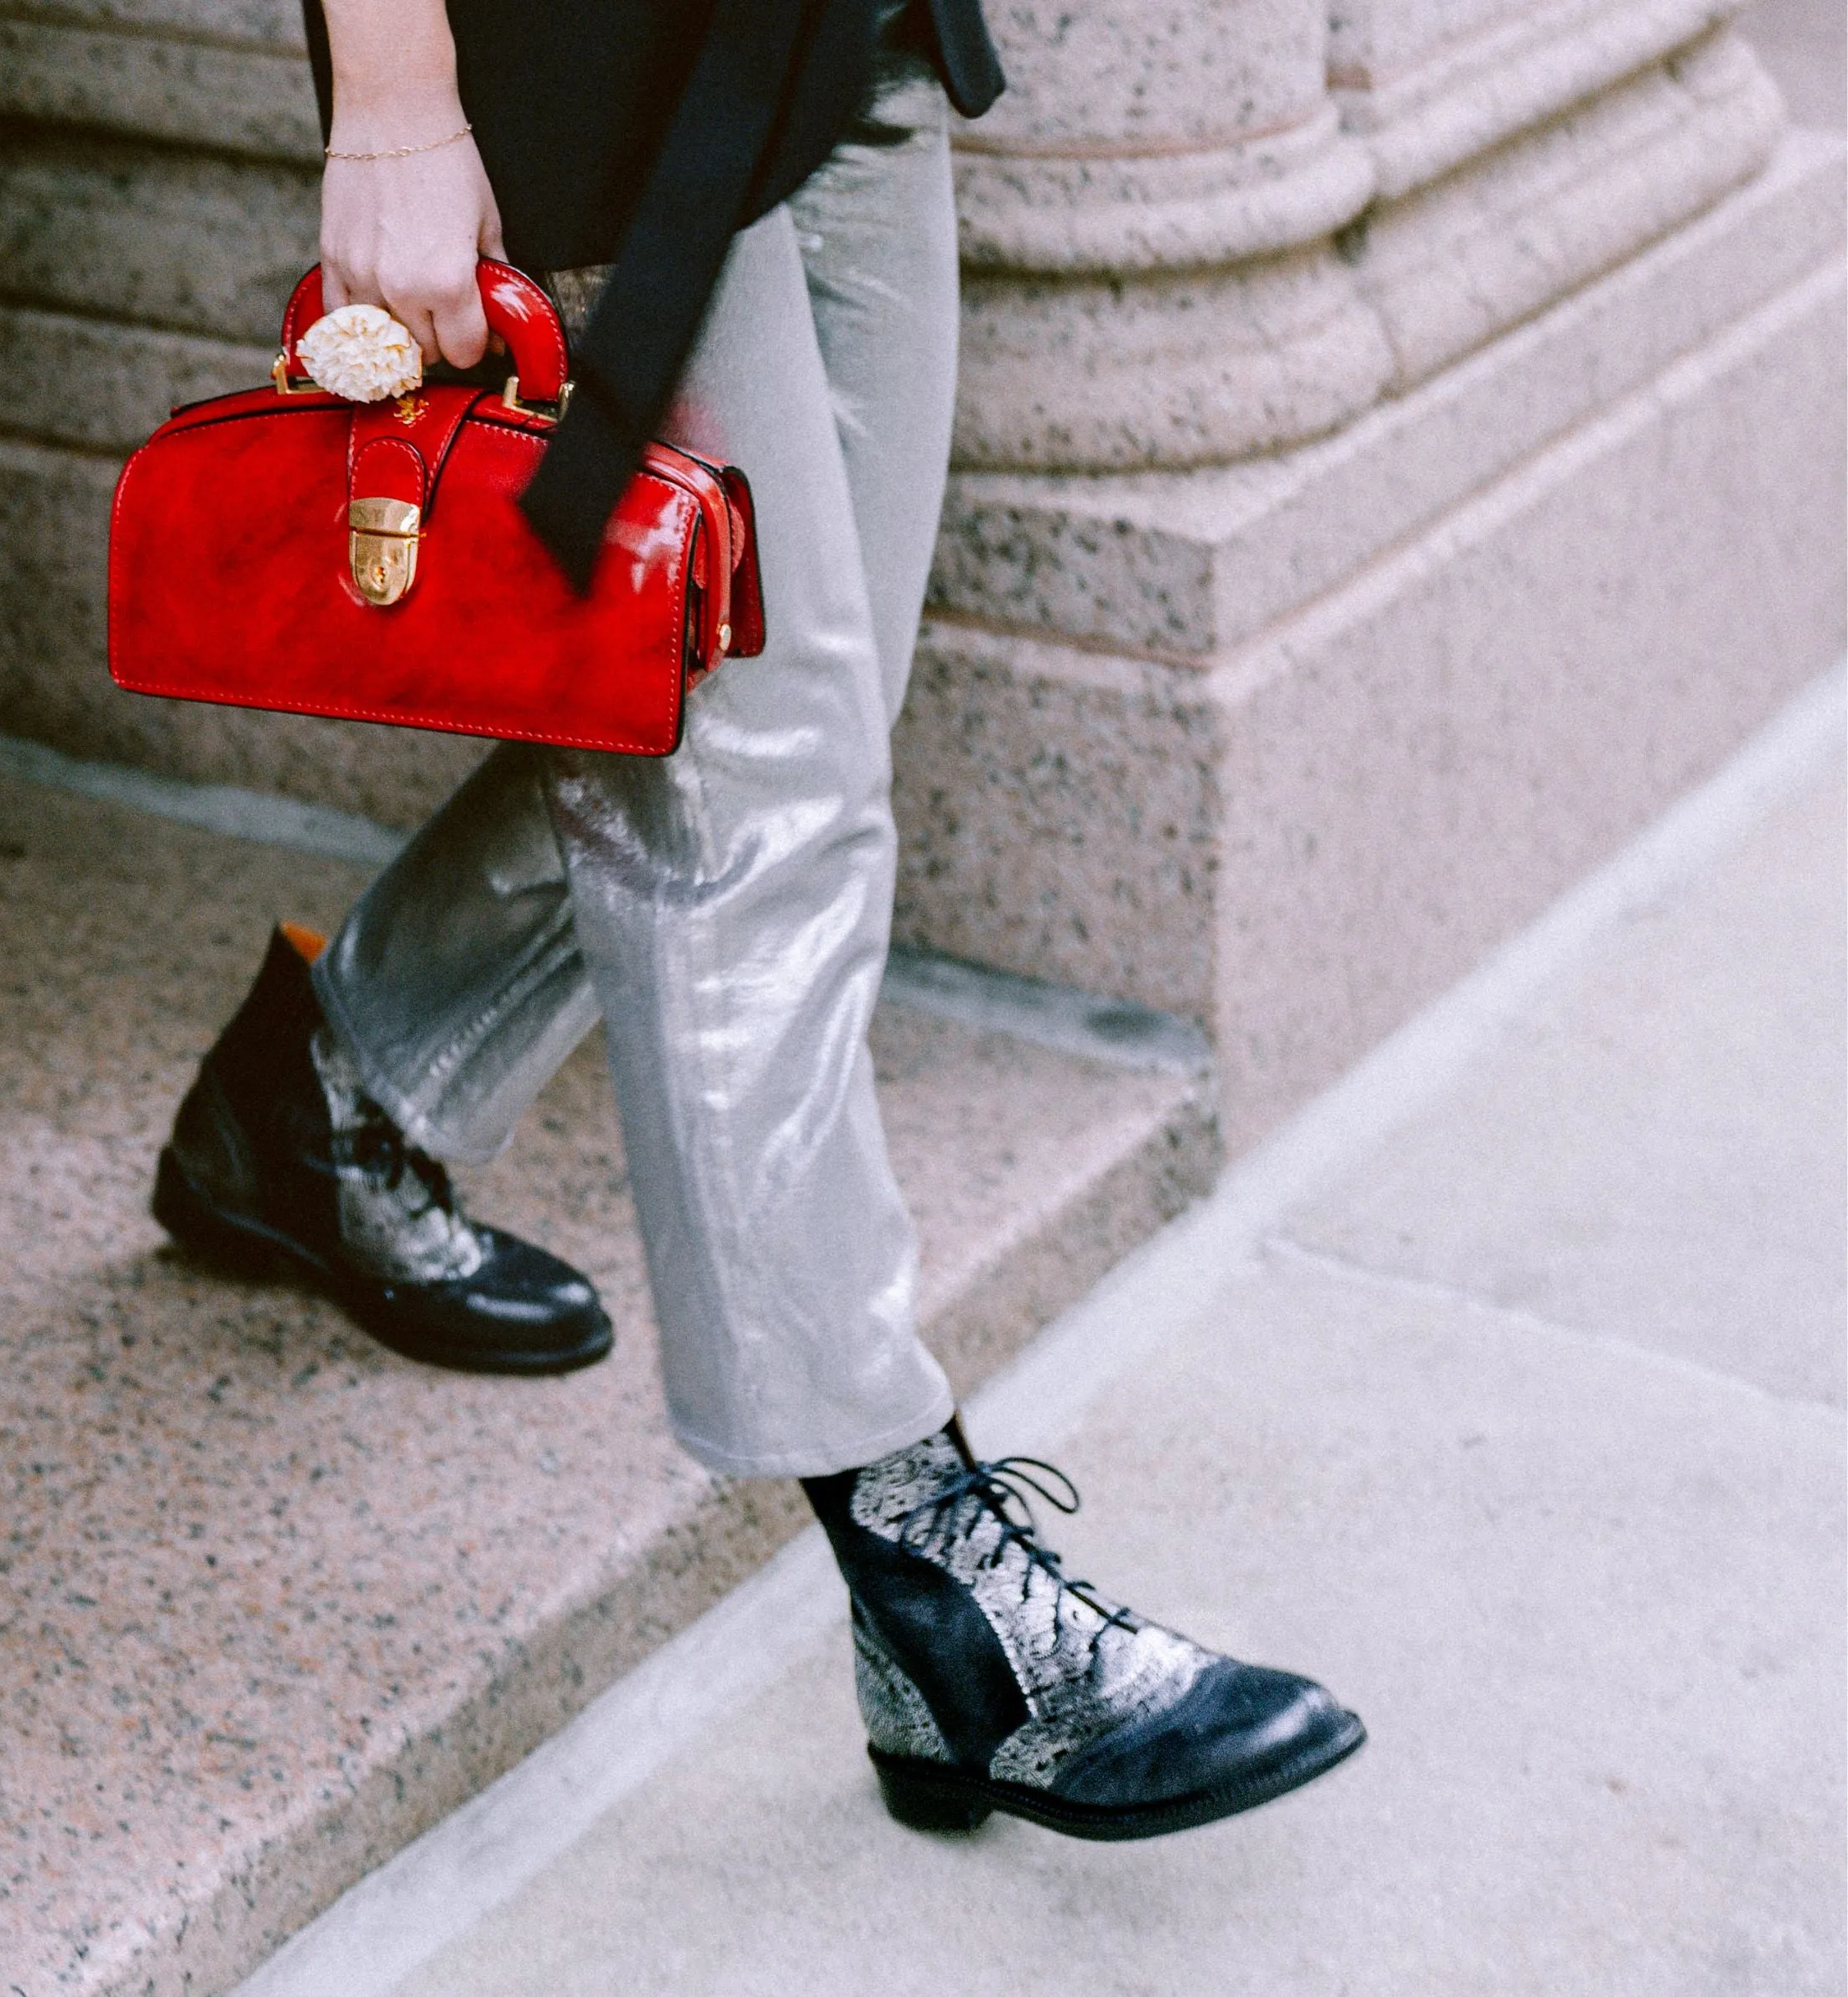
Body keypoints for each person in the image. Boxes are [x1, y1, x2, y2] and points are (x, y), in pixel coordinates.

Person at [153, 0, 1365, 1840]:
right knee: (751, 784)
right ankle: (935, 1593)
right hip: (573, 55)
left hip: (828, 30)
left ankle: (326, 1089)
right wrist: (394, 93)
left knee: (752, 704)